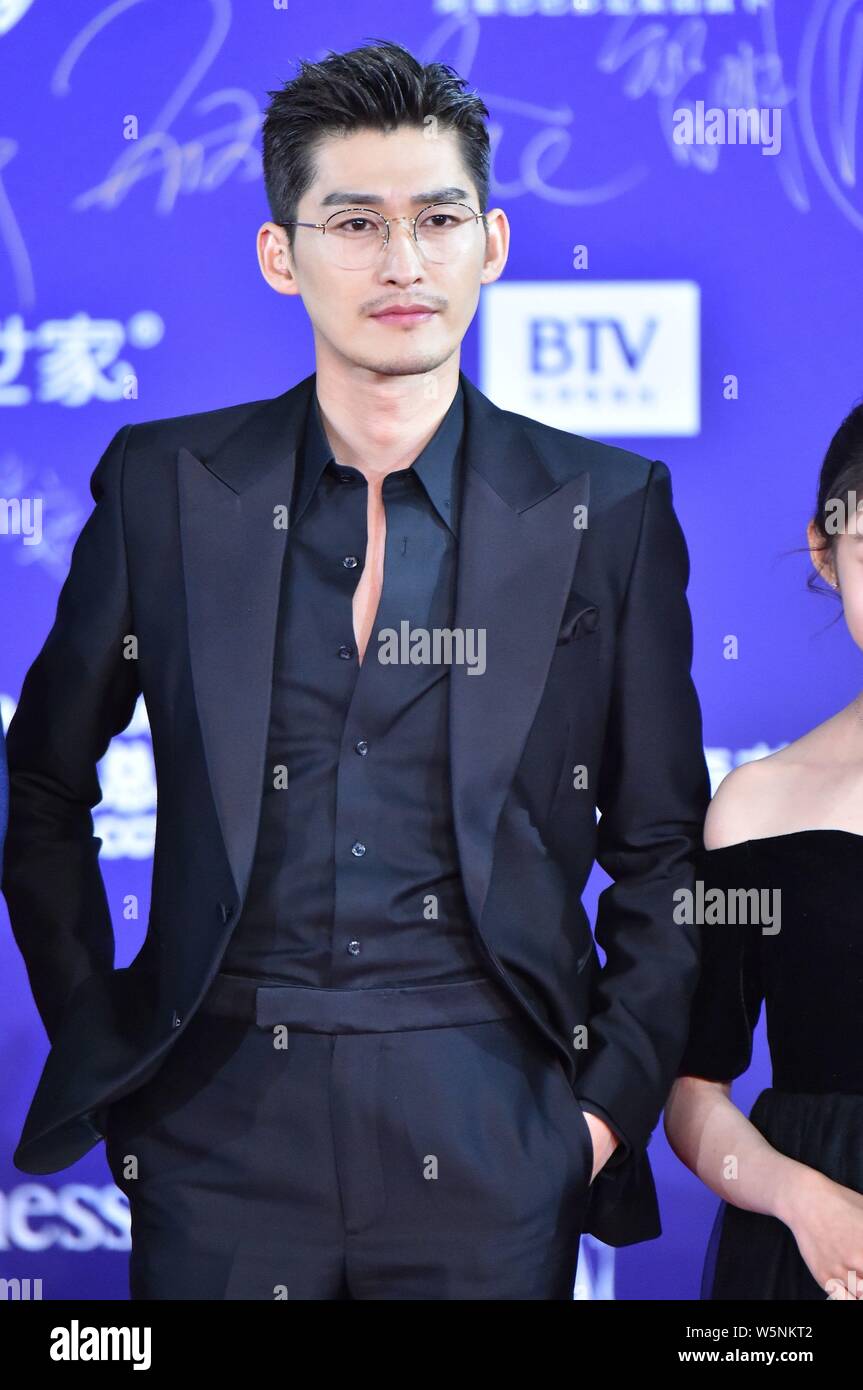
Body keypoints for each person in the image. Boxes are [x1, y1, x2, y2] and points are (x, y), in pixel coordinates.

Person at [1, 40, 710, 1300]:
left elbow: (663, 849)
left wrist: (592, 1118)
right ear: (283, 254)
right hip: (215, 1125)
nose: (402, 261)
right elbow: (42, 784)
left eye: (437, 218)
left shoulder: (607, 507)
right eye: (354, 221)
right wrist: (106, 1047)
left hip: (494, 1121)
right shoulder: (167, 488)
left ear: (490, 241)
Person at [665, 400, 863, 1302]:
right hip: (813, 1265)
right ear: (825, 556)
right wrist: (802, 1202)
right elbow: (692, 1094)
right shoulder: (757, 808)